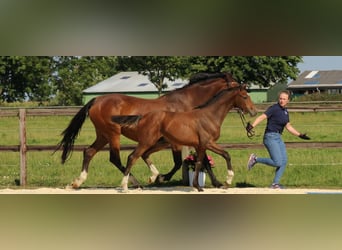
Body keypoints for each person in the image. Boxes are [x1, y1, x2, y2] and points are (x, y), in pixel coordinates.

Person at [246, 90, 310, 189]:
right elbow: (262, 117)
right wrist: (252, 126)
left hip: (278, 137)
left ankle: (275, 184)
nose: (281, 101)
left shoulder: (285, 111)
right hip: (270, 137)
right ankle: (255, 159)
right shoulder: (274, 108)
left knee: (284, 161)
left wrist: (300, 135)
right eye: (280, 98)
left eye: (284, 99)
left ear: (288, 100)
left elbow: (288, 126)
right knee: (277, 162)